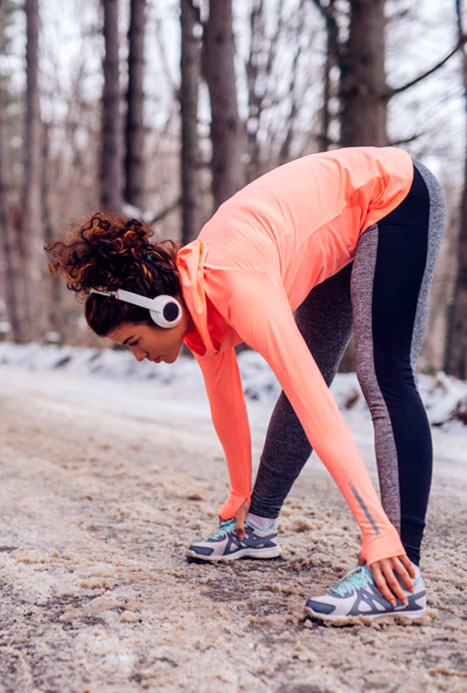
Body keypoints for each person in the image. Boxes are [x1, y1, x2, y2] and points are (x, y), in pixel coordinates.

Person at [45, 146, 446, 624]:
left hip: (394, 197)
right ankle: (255, 528)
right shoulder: (195, 301)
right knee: (308, 371)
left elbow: (317, 406)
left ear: (163, 310)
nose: (137, 355)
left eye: (132, 340)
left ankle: (400, 575)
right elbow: (227, 406)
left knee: (383, 377)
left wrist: (374, 530)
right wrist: (239, 495)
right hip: (344, 227)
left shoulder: (237, 286)